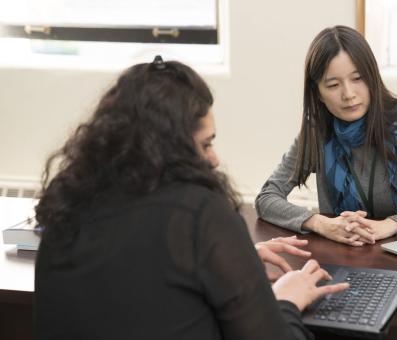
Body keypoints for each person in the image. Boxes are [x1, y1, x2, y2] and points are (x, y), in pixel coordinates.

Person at [33, 56, 348, 340]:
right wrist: (287, 301)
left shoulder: (68, 205)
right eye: (205, 144)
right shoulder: (201, 214)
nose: (213, 159)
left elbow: (139, 275)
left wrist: (233, 256)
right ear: (172, 148)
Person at [255, 26, 397, 247]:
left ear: (372, 78)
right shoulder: (317, 132)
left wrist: (391, 224)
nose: (348, 94)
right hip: (350, 254)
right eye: (333, 85)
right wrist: (320, 223)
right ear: (318, 94)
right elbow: (267, 198)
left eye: (357, 79)